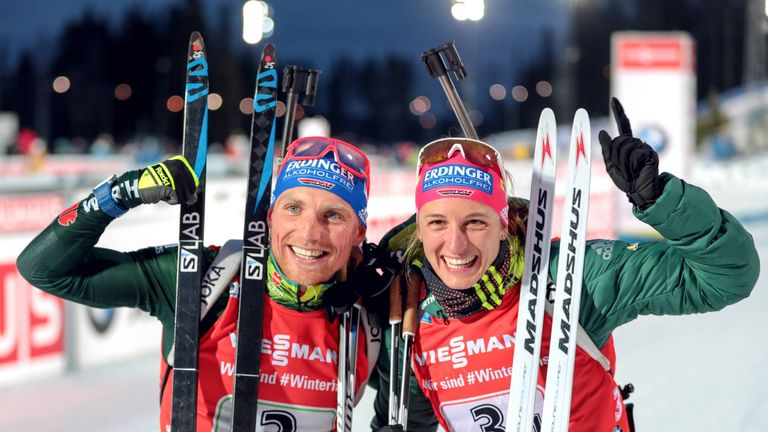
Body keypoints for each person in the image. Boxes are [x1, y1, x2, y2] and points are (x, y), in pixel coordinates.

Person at [370, 98, 760, 431]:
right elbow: (407, 419)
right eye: (437, 223)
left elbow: (726, 277)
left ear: (503, 225)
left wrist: (659, 199)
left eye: (475, 222)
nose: (456, 244)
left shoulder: (571, 275)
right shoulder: (411, 313)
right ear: (419, 228)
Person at [17, 136, 391, 432]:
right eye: (293, 208)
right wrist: (118, 194)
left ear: (359, 231)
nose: (310, 233)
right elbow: (45, 270)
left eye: (333, 216)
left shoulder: (371, 313)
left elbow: (412, 402)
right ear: (271, 215)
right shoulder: (204, 276)